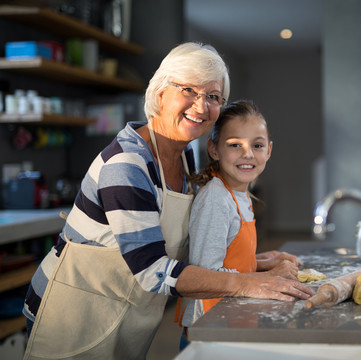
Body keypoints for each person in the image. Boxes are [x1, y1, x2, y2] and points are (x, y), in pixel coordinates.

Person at [22, 43, 313, 360]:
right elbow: (152, 269)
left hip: (129, 311)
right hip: (75, 314)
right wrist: (247, 282)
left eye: (213, 96)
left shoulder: (185, 156)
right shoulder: (127, 165)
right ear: (160, 93)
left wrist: (254, 262)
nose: (201, 106)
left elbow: (175, 244)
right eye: (189, 90)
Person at [175, 100, 302, 337]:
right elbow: (205, 276)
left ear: (269, 150)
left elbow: (228, 263)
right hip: (210, 328)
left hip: (232, 318)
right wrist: (267, 276)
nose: (247, 154)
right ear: (214, 149)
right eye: (235, 144)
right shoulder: (216, 198)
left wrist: (265, 264)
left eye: (257, 145)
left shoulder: (241, 194)